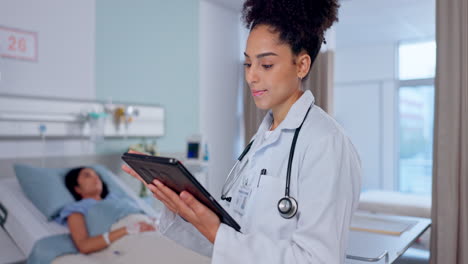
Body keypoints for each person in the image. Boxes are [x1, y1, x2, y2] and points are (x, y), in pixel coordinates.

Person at [123, 0, 361, 263]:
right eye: (248, 64)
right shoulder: (259, 142)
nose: (251, 77)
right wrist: (182, 206)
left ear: (302, 65)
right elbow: (233, 239)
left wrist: (217, 232)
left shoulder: (325, 143)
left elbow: (318, 259)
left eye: (266, 65)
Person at [57, 167, 155, 254]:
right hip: (128, 238)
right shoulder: (77, 209)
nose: (96, 178)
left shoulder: (116, 198)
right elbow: (84, 245)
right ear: (77, 188)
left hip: (152, 228)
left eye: (97, 175)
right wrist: (129, 229)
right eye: (88, 176)